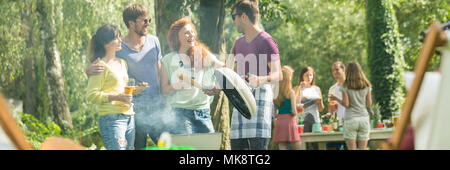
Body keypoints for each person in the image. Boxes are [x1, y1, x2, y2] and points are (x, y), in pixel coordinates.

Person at [86, 4, 165, 150]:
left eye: (149, 20)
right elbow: (100, 75)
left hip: (154, 108)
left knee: (169, 145)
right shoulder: (120, 50)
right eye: (144, 21)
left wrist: (164, 98)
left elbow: (160, 72)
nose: (148, 24)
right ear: (131, 23)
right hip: (131, 111)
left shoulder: (153, 42)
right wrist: (88, 70)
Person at [229, 0, 283, 150]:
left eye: (234, 17)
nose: (233, 22)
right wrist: (219, 86)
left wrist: (261, 79)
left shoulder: (267, 41)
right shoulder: (238, 43)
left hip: (260, 104)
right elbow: (235, 73)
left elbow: (279, 74)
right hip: (241, 102)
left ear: (244, 16)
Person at [160, 18, 224, 134]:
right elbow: (164, 90)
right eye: (186, 33)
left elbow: (222, 68)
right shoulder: (167, 60)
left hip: (203, 112)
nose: (191, 35)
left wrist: (217, 86)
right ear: (176, 38)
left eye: (192, 32)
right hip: (179, 114)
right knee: (187, 146)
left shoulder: (203, 54)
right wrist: (177, 85)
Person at [86, 24, 135, 150]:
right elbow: (91, 95)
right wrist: (117, 97)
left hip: (129, 116)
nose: (121, 40)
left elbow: (120, 88)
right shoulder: (100, 66)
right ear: (106, 43)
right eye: (116, 38)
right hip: (112, 119)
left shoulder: (122, 63)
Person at [330, 61, 372, 150]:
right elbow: (369, 104)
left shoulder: (345, 85)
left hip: (351, 119)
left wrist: (336, 98)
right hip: (364, 119)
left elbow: (346, 104)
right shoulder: (366, 85)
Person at [272, 65, 302, 150]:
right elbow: (294, 112)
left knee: (282, 146)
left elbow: (275, 113)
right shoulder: (291, 92)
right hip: (289, 121)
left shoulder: (275, 93)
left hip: (279, 122)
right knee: (298, 146)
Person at [326, 61, 348, 150]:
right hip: (335, 127)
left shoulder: (350, 85)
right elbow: (331, 110)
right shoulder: (332, 89)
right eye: (333, 70)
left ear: (343, 69)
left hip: (348, 124)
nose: (335, 72)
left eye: (337, 69)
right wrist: (331, 104)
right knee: (330, 147)